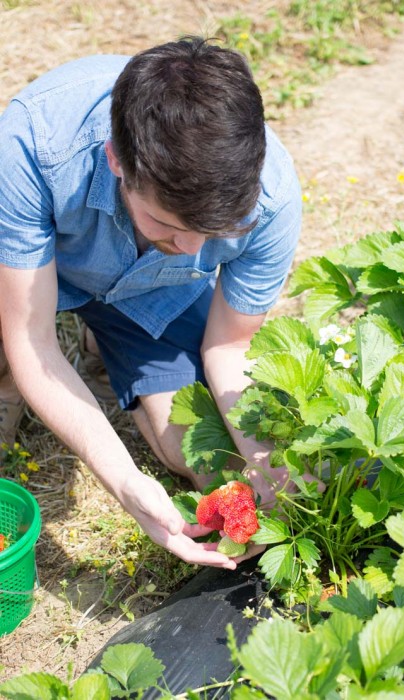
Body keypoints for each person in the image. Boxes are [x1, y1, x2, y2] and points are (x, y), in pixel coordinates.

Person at [0, 36, 312, 570]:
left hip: (152, 290)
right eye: (167, 224)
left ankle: (110, 340)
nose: (194, 249)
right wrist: (122, 480)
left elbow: (231, 343)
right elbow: (33, 339)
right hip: (35, 272)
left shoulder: (272, 199)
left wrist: (264, 464)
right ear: (116, 160)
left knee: (201, 456)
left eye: (213, 232)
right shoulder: (34, 146)